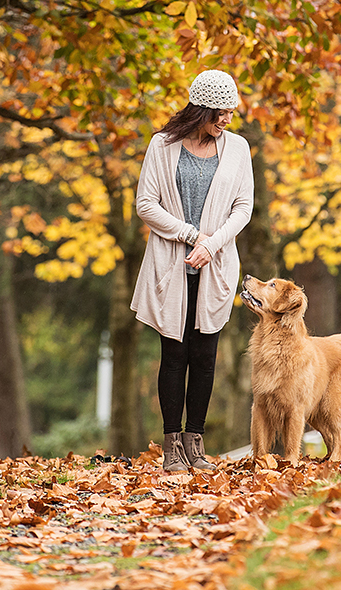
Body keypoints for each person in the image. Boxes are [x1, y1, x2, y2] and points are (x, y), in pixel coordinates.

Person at [130, 69, 255, 472]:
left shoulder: (238, 149)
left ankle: (195, 443)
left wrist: (212, 244)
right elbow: (146, 204)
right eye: (220, 112)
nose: (226, 120)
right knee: (174, 352)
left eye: (230, 113)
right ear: (200, 108)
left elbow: (243, 208)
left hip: (215, 264)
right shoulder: (162, 146)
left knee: (205, 356)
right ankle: (171, 447)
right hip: (171, 263)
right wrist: (190, 236)